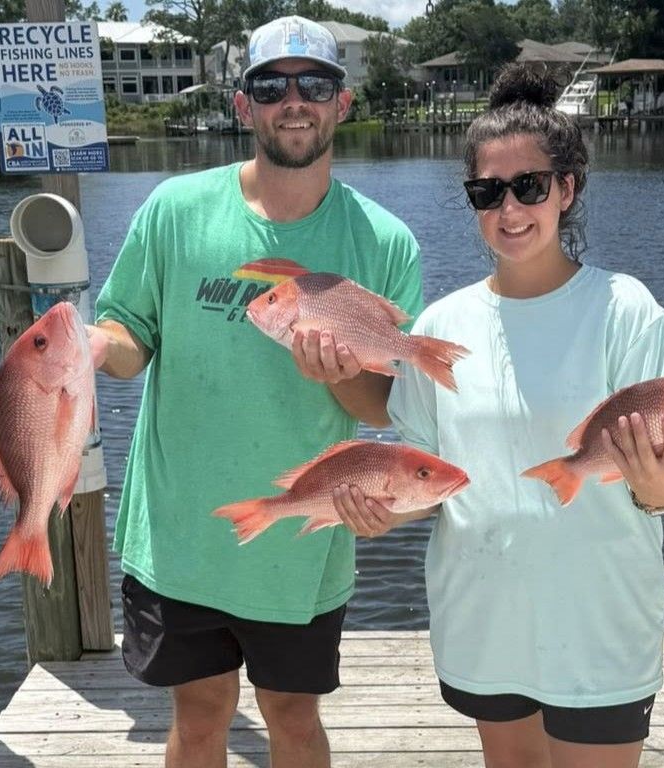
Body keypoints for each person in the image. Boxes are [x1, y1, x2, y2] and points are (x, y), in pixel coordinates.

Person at [332, 63, 664, 768]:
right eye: (486, 191)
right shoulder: (443, 322)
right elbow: (427, 474)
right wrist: (378, 512)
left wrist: (657, 486)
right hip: (483, 615)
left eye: (528, 187)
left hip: (599, 622)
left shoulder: (627, 312)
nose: (509, 210)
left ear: (567, 188)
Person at [90, 15, 423, 768]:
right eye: (272, 85)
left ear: (343, 104)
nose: (294, 101)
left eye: (316, 85)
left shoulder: (386, 242)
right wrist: (87, 348)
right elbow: (129, 333)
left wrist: (345, 379)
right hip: (181, 534)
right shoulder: (174, 211)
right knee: (201, 717)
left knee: (294, 719)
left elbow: (385, 409)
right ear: (245, 106)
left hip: (299, 542)